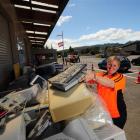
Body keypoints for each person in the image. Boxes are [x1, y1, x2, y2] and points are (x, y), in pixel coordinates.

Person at [85, 56, 127, 129]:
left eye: (114, 65)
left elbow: (111, 83)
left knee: (115, 135)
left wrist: (94, 76)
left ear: (118, 67)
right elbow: (88, 80)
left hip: (116, 115)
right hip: (103, 112)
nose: (111, 67)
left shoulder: (120, 77)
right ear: (106, 64)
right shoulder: (101, 75)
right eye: (109, 64)